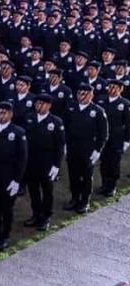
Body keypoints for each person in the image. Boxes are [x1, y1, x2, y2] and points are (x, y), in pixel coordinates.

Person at [0, 101, 28, 250]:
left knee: (7, 208)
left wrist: (17, 180)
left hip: (9, 177)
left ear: (11, 114)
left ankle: (5, 235)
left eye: (4, 113)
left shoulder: (18, 133)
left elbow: (22, 159)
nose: (1, 115)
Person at [63, 83, 108, 213]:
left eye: (85, 94)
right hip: (73, 147)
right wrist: (65, 144)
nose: (81, 96)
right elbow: (65, 127)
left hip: (88, 148)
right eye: (79, 93)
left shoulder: (98, 111)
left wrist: (97, 150)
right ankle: (75, 198)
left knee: (86, 176)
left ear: (91, 95)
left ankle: (85, 201)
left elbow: (103, 133)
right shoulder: (71, 108)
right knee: (73, 174)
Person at [23, 94, 64, 230]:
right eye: (37, 103)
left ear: (49, 106)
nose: (39, 106)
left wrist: (56, 165)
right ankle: (36, 214)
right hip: (31, 160)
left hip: (47, 161)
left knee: (47, 191)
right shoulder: (29, 118)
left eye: (43, 103)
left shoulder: (55, 122)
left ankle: (46, 217)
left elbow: (59, 146)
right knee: (33, 189)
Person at [96, 79, 130, 197]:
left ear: (120, 89)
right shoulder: (101, 99)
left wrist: (126, 140)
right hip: (103, 137)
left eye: (115, 87)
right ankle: (104, 184)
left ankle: (112, 186)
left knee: (114, 163)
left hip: (116, 138)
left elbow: (128, 124)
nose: (111, 89)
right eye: (110, 87)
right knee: (103, 162)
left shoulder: (125, 103)